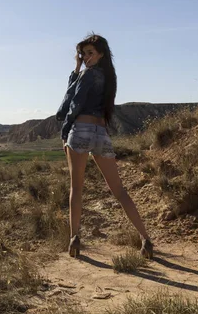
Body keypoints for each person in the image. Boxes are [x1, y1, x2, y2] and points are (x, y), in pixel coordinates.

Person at [56, 33, 153, 259]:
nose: (86, 57)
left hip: (80, 131)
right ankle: (146, 239)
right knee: (119, 190)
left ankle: (74, 238)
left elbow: (69, 105)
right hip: (101, 133)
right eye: (83, 54)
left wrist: (64, 132)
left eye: (90, 53)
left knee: (76, 188)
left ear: (101, 54)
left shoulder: (87, 75)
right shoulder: (109, 78)